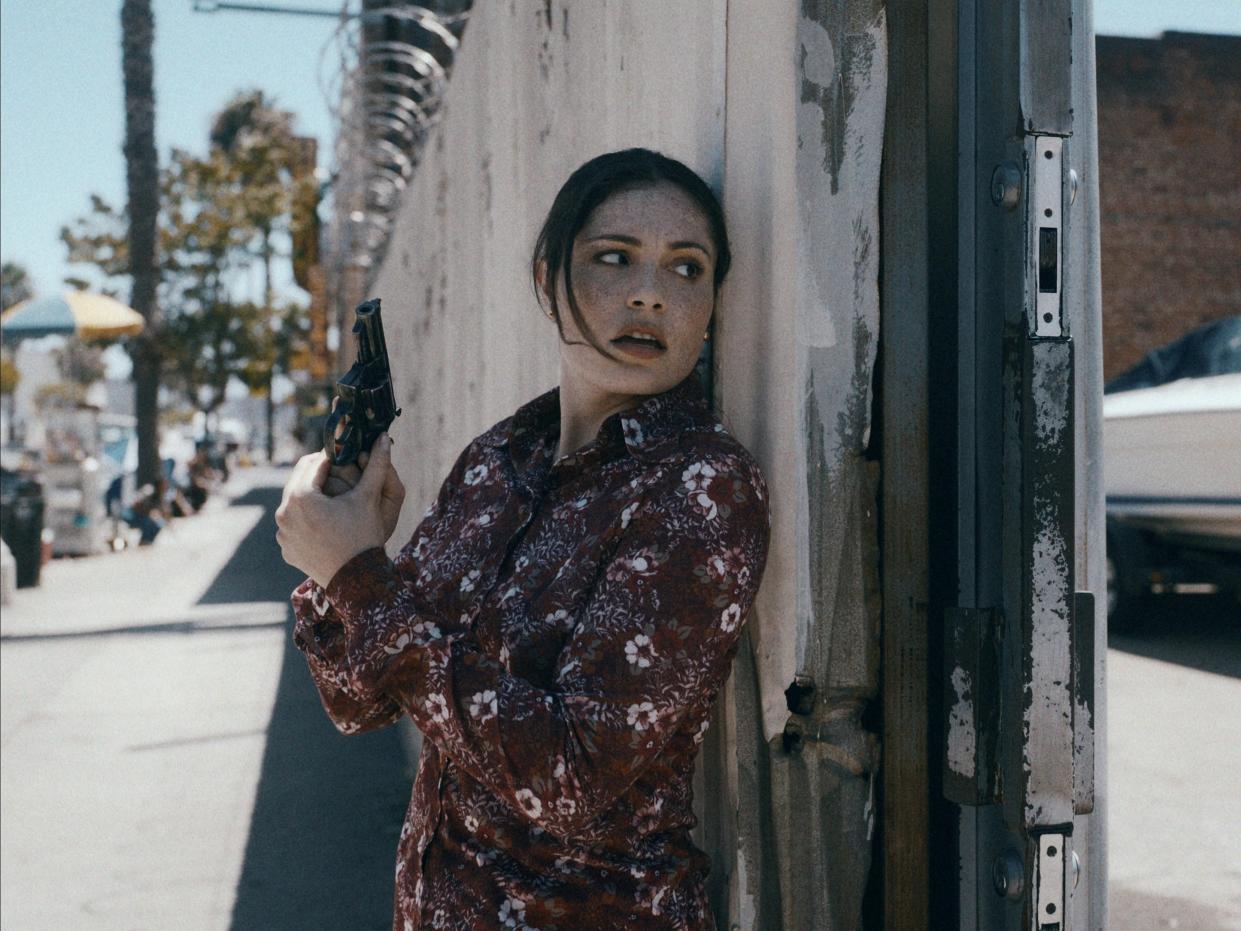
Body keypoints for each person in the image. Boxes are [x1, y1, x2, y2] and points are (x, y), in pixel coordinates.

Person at [276, 148, 772, 931]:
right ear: (548, 279)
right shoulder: (498, 459)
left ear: (711, 303)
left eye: (686, 268)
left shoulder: (700, 487)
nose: (650, 293)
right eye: (615, 259)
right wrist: (342, 560)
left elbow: (571, 775)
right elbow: (357, 701)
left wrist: (361, 576)